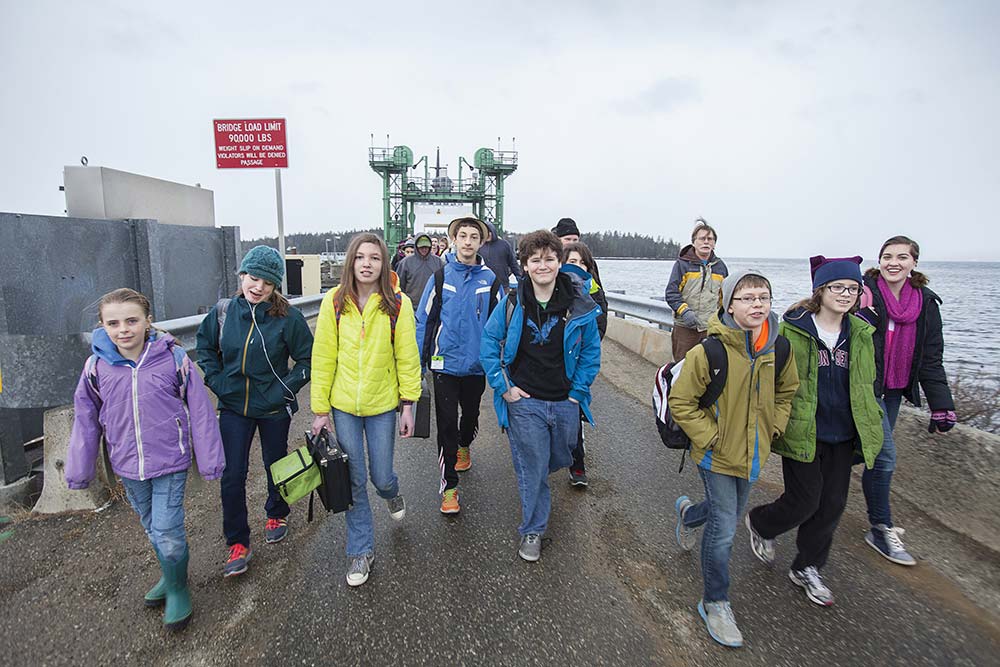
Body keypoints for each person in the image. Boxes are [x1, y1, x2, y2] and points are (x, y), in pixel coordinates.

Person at [67, 288, 226, 632]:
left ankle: (179, 588)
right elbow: (85, 417)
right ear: (103, 326)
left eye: (131, 320)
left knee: (167, 529)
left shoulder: (173, 359)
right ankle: (170, 578)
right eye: (113, 323)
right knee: (152, 526)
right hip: (127, 464)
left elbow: (200, 411)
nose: (123, 329)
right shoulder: (97, 366)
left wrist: (211, 460)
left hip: (170, 461)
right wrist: (80, 469)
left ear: (147, 321)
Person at [670, 270, 799, 648]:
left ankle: (687, 515)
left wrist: (773, 427)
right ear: (728, 304)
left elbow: (787, 392)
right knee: (725, 527)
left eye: (763, 297)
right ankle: (715, 602)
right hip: (715, 454)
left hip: (754, 451)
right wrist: (711, 438)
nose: (757, 304)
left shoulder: (781, 348)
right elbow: (681, 401)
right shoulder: (709, 350)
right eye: (747, 297)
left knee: (721, 510)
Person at [745, 256, 883, 607]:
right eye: (837, 287)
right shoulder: (793, 330)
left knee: (832, 505)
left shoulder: (862, 334)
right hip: (803, 430)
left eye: (852, 288)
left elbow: (867, 384)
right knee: (804, 501)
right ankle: (761, 522)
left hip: (844, 435)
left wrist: (871, 423)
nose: (845, 294)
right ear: (820, 290)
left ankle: (807, 566)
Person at [480, 230, 602, 563]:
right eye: (535, 260)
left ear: (559, 262)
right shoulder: (513, 302)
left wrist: (578, 392)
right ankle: (533, 528)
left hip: (565, 401)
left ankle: (534, 478)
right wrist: (504, 386)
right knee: (533, 466)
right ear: (524, 265)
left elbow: (591, 350)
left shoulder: (580, 305)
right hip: (525, 400)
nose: (543, 265)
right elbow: (490, 343)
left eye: (549, 258)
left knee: (560, 456)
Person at [310, 233, 422, 586]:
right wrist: (320, 409)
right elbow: (324, 356)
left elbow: (407, 356)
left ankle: (392, 493)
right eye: (360, 257)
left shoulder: (398, 305)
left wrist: (409, 404)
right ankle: (361, 551)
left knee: (381, 476)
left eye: (374, 257)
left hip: (381, 404)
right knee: (354, 478)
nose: (367, 263)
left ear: (383, 262)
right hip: (344, 404)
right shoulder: (335, 301)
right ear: (351, 262)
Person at [195, 246, 314, 578]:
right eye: (253, 277)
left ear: (275, 285)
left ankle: (276, 512)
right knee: (233, 474)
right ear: (242, 276)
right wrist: (216, 380)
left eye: (267, 282)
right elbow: (205, 347)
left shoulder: (288, 318)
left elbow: (307, 360)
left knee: (275, 463)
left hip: (274, 406)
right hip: (234, 405)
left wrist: (285, 390)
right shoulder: (223, 312)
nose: (258, 286)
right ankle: (238, 542)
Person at [858, 235, 956, 565]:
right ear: (879, 260)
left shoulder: (925, 303)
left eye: (902, 256)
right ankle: (881, 527)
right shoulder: (865, 293)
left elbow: (930, 357)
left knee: (872, 458)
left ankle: (876, 525)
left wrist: (942, 404)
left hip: (894, 391)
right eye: (887, 256)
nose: (893, 262)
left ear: (914, 262)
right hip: (864, 390)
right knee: (883, 457)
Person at [415, 217, 500, 514]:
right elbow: (424, 319)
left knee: (470, 416)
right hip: (444, 364)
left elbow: (501, 324)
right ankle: (449, 487)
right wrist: (418, 361)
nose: (467, 241)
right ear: (454, 239)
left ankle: (466, 444)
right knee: (446, 424)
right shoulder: (440, 278)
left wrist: (500, 361)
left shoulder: (490, 280)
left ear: (480, 242)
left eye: (473, 236)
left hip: (476, 367)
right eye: (462, 235)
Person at [560, 241, 608, 487]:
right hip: (554, 366)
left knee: (574, 412)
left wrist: (590, 344)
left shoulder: (593, 290)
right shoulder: (550, 290)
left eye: (582, 263)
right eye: (571, 262)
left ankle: (577, 465)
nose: (576, 267)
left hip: (577, 362)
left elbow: (601, 319)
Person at [664, 219, 728, 363]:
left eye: (710, 239)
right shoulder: (682, 264)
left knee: (708, 368)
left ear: (714, 243)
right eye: (702, 238)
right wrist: (685, 312)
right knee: (682, 367)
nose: (706, 242)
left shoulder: (721, 267)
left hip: (710, 328)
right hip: (685, 328)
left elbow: (724, 298)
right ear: (694, 242)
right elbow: (671, 293)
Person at [397, 232, 445, 308]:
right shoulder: (405, 263)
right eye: (421, 247)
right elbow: (399, 286)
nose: (424, 249)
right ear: (416, 246)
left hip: (432, 307)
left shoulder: (438, 262)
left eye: (426, 247)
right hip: (411, 307)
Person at [479, 219, 523, 286]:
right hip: (483, 285)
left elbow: (513, 263)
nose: (487, 234)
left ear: (493, 231)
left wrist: (519, 278)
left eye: (489, 231)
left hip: (502, 285)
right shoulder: (478, 246)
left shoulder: (504, 245)